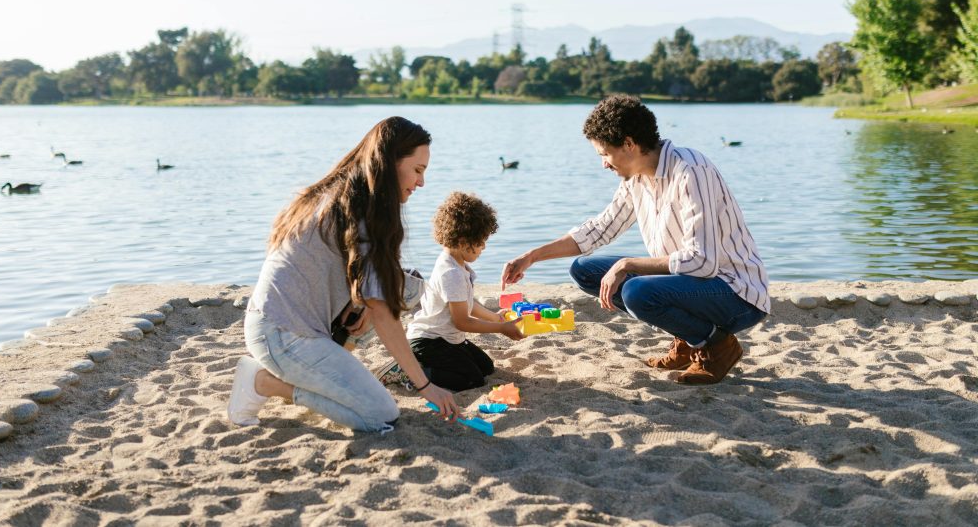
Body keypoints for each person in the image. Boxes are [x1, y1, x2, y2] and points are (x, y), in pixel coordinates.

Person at [501, 95, 769, 385]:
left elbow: (702, 262)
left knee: (637, 292)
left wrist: (628, 264)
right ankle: (687, 338)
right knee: (585, 270)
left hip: (735, 293)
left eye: (605, 154)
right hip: (692, 284)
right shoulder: (635, 178)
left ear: (629, 144)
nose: (604, 164)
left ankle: (716, 345)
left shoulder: (690, 171)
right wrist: (532, 256)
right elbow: (599, 229)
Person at [227, 117, 459, 433]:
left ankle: (327, 366)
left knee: (406, 287)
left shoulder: (349, 192)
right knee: (381, 415)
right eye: (417, 170)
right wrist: (425, 386)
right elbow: (382, 311)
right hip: (281, 334)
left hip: (289, 325)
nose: (421, 182)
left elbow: (372, 285)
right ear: (390, 162)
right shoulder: (359, 208)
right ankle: (264, 382)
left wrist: (362, 304)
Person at [378, 192, 524, 392]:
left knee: (485, 368)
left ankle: (423, 367)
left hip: (447, 339)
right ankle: (411, 372)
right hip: (429, 341)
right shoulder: (451, 272)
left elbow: (467, 303)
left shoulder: (457, 263)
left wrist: (495, 318)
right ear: (464, 242)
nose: (484, 247)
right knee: (472, 380)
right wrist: (501, 329)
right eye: (481, 241)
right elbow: (462, 321)